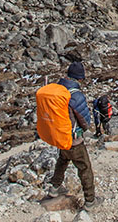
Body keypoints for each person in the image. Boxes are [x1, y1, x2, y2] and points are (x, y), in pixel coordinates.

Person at [44, 61, 96, 207]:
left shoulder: (58, 89)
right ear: (80, 78)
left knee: (63, 160)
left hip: (59, 135)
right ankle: (90, 200)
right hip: (73, 138)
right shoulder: (75, 95)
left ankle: (54, 188)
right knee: (84, 167)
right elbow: (84, 119)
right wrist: (84, 130)